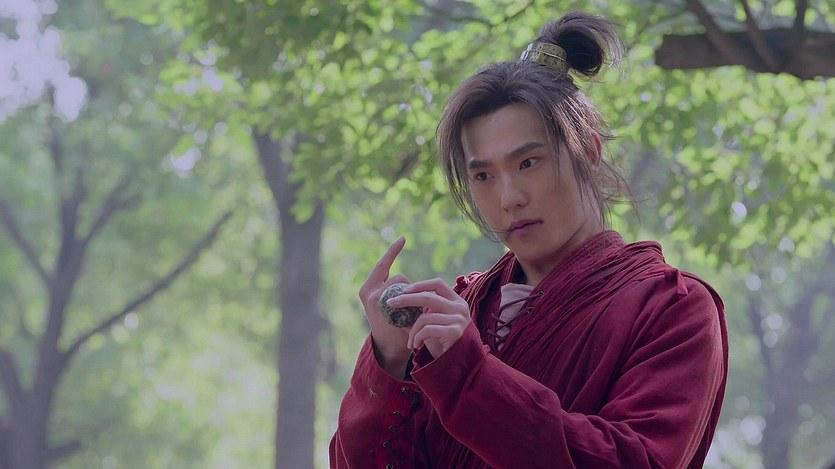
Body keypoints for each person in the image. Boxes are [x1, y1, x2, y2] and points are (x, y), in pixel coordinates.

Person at [330, 11, 728, 469]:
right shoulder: (457, 314)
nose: (509, 198)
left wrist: (469, 375)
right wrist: (387, 362)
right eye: (483, 175)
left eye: (528, 163)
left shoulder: (670, 309)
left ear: (588, 151)